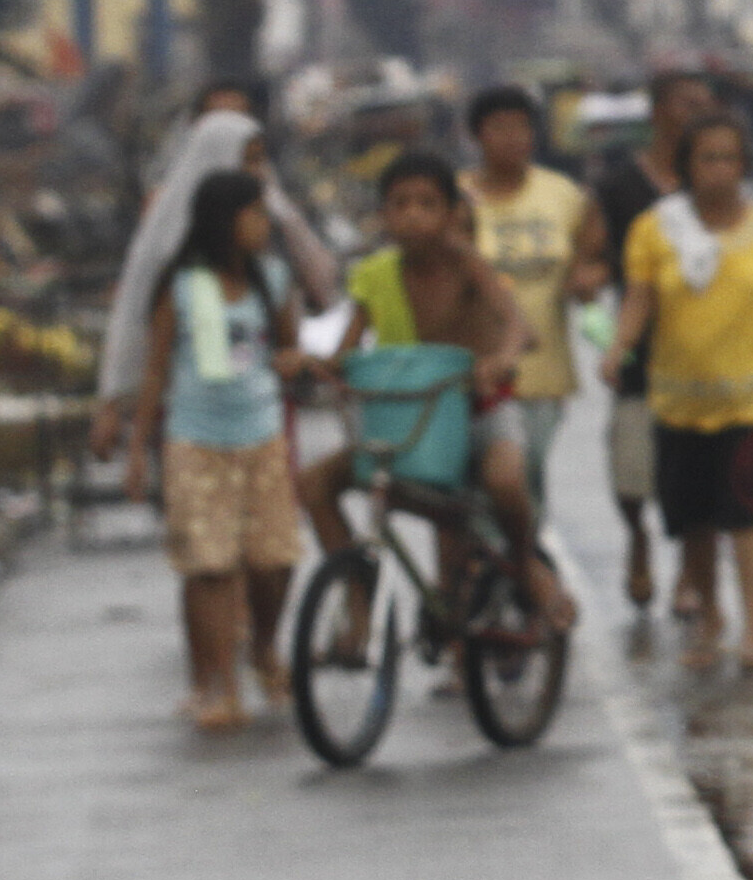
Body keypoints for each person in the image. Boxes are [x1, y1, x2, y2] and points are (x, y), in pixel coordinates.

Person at [608, 109, 753, 673]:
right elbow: (640, 298)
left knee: (745, 510)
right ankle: (710, 614)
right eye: (707, 158)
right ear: (688, 167)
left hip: (751, 399)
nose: (719, 170)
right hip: (678, 399)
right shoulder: (655, 230)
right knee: (693, 519)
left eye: (730, 158)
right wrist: (620, 347)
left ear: (745, 165)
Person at [312, 150, 577, 634]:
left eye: (426, 203)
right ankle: (356, 598)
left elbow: (518, 325)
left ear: (451, 214)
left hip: (478, 409)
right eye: (399, 203)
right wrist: (308, 363)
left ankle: (527, 567)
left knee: (505, 480)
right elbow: (346, 352)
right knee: (315, 484)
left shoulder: (468, 265)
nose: (411, 214)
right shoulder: (375, 275)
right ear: (383, 214)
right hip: (414, 415)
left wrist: (501, 358)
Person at [130, 168, 309, 732]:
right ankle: (219, 685)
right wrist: (140, 447)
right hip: (196, 440)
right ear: (225, 220)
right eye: (254, 213)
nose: (263, 225)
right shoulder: (181, 287)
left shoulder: (271, 281)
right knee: (210, 566)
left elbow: (287, 345)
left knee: (274, 559)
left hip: (261, 433)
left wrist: (293, 363)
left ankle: (263, 645)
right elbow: (156, 369)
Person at [93, 82, 338, 462]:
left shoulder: (271, 222)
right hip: (193, 421)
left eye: (260, 158)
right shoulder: (171, 233)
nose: (259, 172)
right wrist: (117, 405)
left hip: (261, 418)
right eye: (249, 160)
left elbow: (311, 293)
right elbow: (135, 318)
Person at [581, 71, 710, 619]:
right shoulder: (616, 186)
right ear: (657, 111)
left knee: (696, 470)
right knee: (632, 472)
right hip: (638, 350)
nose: (697, 115)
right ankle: (638, 537)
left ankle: (686, 568)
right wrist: (587, 279)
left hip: (705, 352)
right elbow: (587, 257)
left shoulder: (712, 184)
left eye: (706, 106)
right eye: (687, 104)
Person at [463, 87, 594, 510]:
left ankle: (524, 566)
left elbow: (592, 257)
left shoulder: (563, 196)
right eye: (499, 127)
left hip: (541, 373)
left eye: (522, 127)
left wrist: (588, 279)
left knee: (525, 481)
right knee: (477, 489)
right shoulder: (456, 198)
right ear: (476, 135)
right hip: (475, 373)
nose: (513, 137)